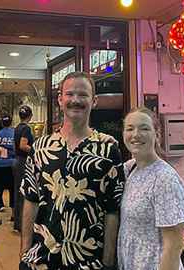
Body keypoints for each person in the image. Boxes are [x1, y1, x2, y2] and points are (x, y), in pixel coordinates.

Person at [20, 71, 125, 270]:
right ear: (60, 99)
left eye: (83, 95)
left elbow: (113, 210)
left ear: (94, 101)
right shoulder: (40, 148)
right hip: (42, 259)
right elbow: (30, 200)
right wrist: (25, 252)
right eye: (70, 94)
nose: (75, 100)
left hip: (89, 261)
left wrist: (108, 262)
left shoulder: (108, 149)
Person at [118, 107, 184, 270]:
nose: (136, 134)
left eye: (144, 128)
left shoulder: (164, 179)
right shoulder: (130, 169)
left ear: (157, 135)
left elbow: (174, 246)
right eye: (129, 129)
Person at [13, 105, 34, 232]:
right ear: (30, 116)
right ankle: (21, 224)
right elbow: (23, 145)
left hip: (17, 161)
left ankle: (18, 223)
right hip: (23, 161)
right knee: (24, 192)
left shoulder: (17, 127)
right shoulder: (26, 128)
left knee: (18, 192)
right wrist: (36, 150)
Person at [0, 116, 15, 227]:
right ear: (10, 122)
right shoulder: (14, 133)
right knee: (12, 189)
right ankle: (13, 215)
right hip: (11, 164)